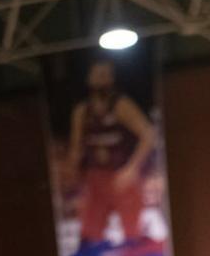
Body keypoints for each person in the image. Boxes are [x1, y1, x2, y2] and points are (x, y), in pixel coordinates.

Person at [64, 58, 156, 246]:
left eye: (107, 75)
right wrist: (72, 177)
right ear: (89, 79)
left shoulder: (121, 105)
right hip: (95, 176)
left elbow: (149, 135)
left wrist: (131, 168)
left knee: (133, 234)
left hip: (121, 175)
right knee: (89, 236)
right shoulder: (82, 111)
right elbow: (75, 148)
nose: (103, 80)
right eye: (99, 75)